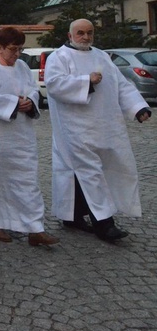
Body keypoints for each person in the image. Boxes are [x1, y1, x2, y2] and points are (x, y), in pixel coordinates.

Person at [45, 18, 151, 242]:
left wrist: (138, 107)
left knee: (91, 172)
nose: (85, 37)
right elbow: (54, 85)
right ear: (70, 35)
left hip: (104, 126)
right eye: (80, 33)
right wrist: (86, 82)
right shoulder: (59, 57)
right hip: (75, 128)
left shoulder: (102, 56)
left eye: (89, 33)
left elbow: (121, 85)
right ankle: (104, 224)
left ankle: (72, 216)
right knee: (90, 174)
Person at [0, 27, 59, 246]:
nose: (17, 54)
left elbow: (33, 90)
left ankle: (35, 228)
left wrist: (29, 101)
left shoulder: (22, 67)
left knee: (27, 181)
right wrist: (13, 103)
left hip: (21, 136)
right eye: (13, 49)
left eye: (20, 49)